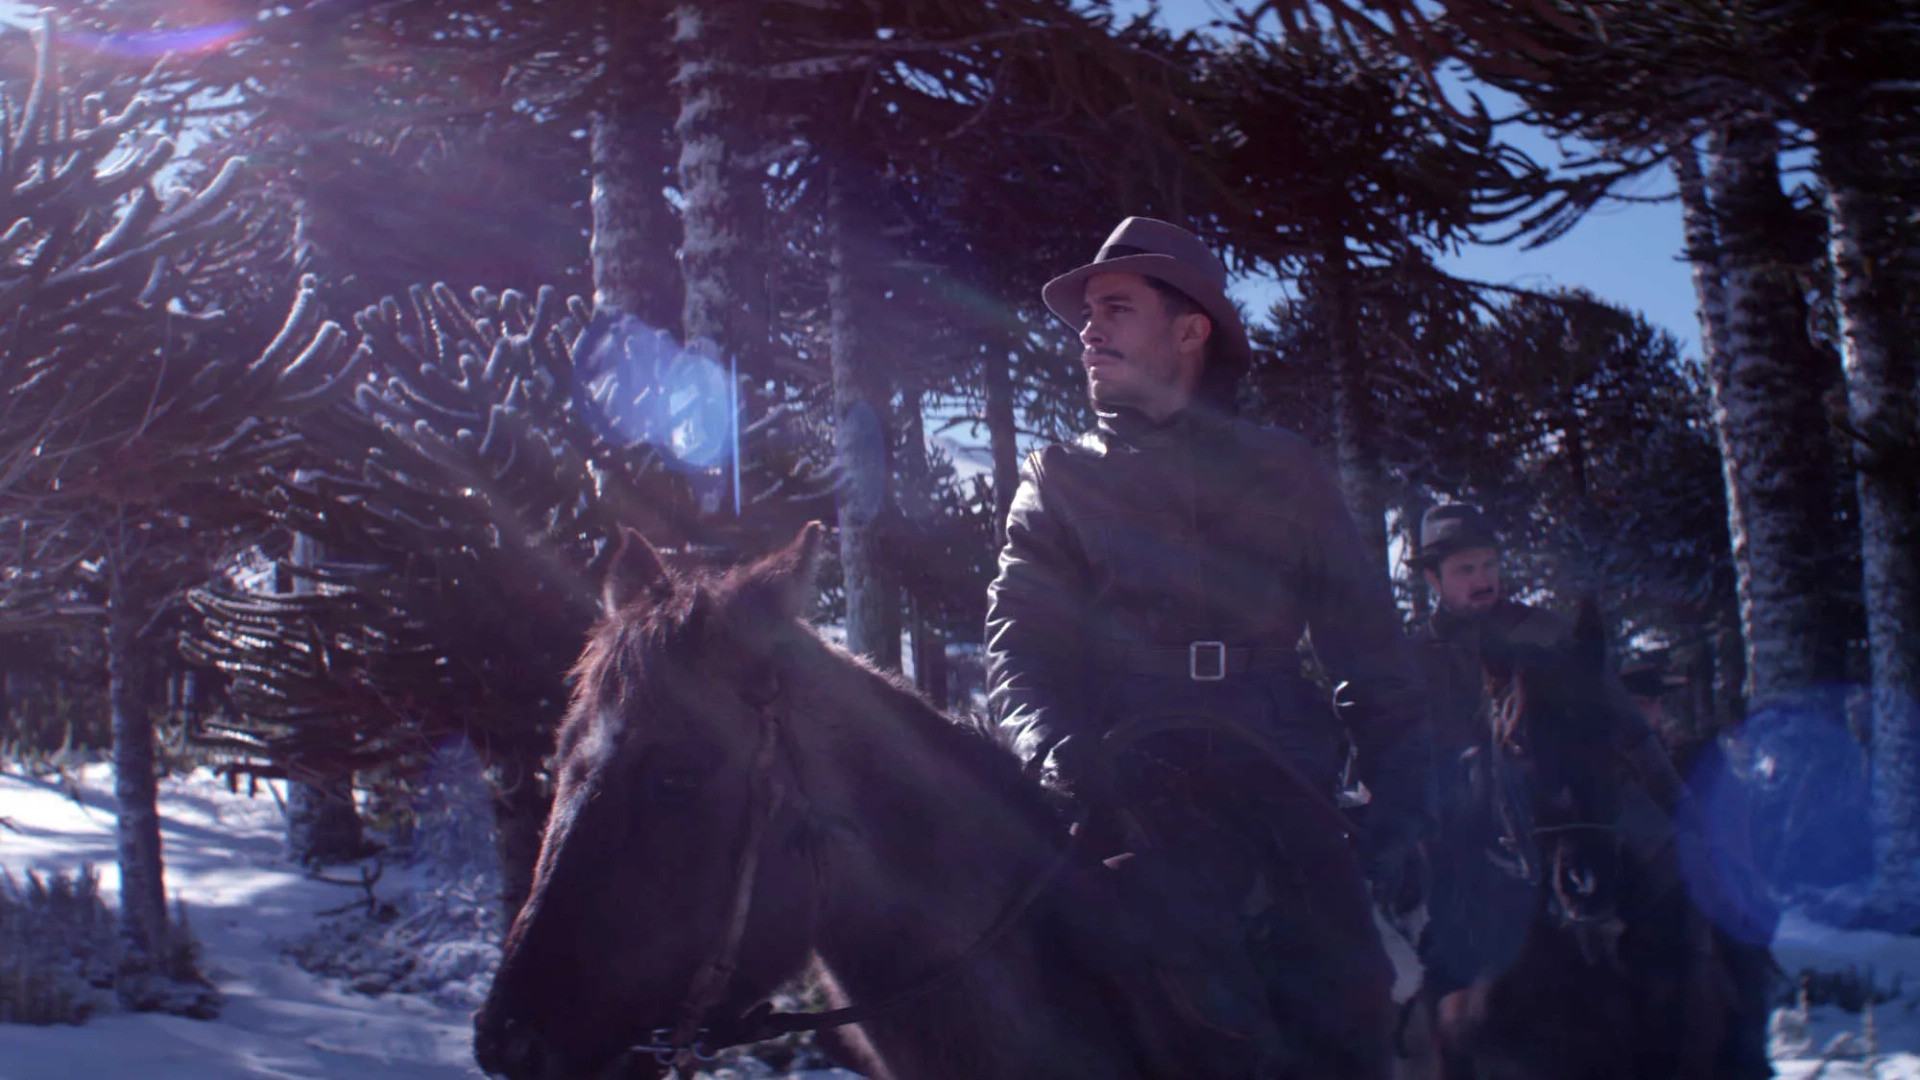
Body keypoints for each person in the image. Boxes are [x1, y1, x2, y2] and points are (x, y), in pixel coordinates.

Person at [983, 216, 1434, 1079]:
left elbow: (1370, 655)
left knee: (1352, 999)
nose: (1087, 329)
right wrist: (1058, 755)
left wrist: (1405, 805)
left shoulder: (1287, 473)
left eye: (1115, 308)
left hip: (1282, 779)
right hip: (1124, 780)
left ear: (1191, 330)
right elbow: (1019, 648)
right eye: (1085, 314)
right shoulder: (1058, 477)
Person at [1408, 503, 1777, 1079]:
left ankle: (1712, 1045)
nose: (1481, 579)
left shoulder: (1548, 634)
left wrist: (1680, 808)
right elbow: (1401, 750)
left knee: (1686, 889)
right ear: (1433, 579)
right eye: (1464, 570)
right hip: (1466, 821)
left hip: (1576, 807)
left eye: (1487, 564)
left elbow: (1627, 728)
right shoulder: (1415, 659)